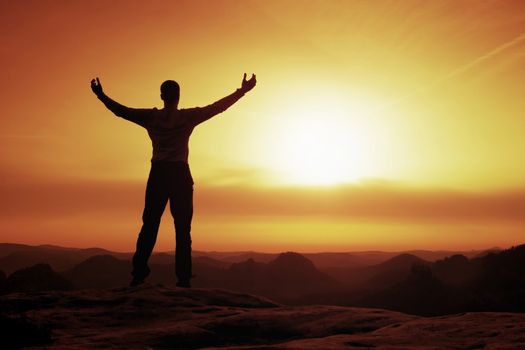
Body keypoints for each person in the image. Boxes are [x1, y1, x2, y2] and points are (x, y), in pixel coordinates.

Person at [90, 74, 257, 287]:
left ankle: (138, 275)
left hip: (158, 174)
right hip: (180, 174)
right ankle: (183, 279)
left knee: (150, 225)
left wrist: (101, 95)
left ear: (161, 96)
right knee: (182, 228)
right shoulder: (188, 117)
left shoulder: (151, 118)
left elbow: (122, 111)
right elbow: (217, 107)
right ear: (178, 96)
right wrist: (241, 91)